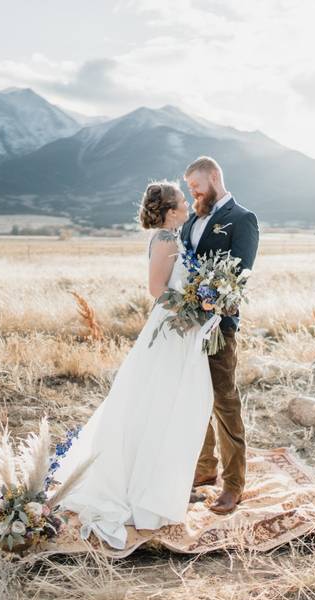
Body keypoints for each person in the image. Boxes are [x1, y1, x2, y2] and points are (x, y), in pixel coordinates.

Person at [50, 180, 216, 550]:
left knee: (172, 404)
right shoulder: (165, 240)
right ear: (171, 210)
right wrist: (196, 303)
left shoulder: (174, 235)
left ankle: (162, 480)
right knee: (158, 403)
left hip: (182, 328)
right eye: (182, 201)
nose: (188, 204)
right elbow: (157, 289)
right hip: (171, 329)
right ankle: (142, 487)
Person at [181, 156, 260, 515]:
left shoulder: (242, 219)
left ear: (214, 177)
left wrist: (209, 305)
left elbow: (237, 277)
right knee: (191, 399)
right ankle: (204, 468)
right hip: (186, 329)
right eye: (189, 189)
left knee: (224, 402)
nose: (193, 192)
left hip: (219, 328)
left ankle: (233, 484)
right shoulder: (191, 221)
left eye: (197, 186)